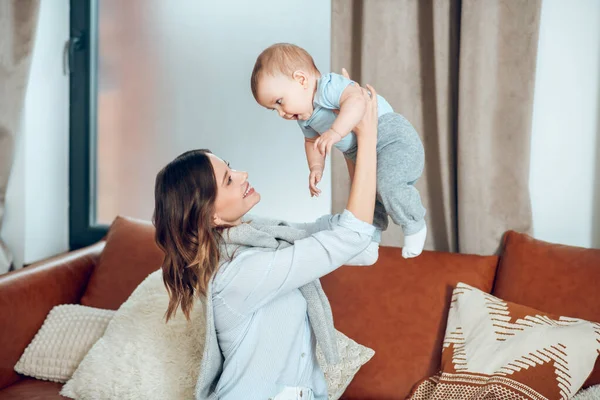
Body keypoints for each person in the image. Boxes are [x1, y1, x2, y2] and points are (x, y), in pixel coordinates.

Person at [152, 80, 379, 400]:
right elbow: (351, 236)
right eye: (229, 180)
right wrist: (367, 139)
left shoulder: (264, 235)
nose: (243, 175)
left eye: (230, 168)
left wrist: (350, 144)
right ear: (211, 216)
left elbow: (360, 245)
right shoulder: (236, 274)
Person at [251, 43, 427, 258]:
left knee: (388, 183)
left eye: (280, 102)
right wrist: (316, 167)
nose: (281, 113)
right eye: (274, 109)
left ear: (301, 79)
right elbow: (311, 143)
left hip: (390, 137)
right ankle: (369, 239)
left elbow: (357, 100)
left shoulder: (327, 86)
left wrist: (335, 131)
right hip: (361, 150)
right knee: (366, 195)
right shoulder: (304, 117)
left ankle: (414, 223)